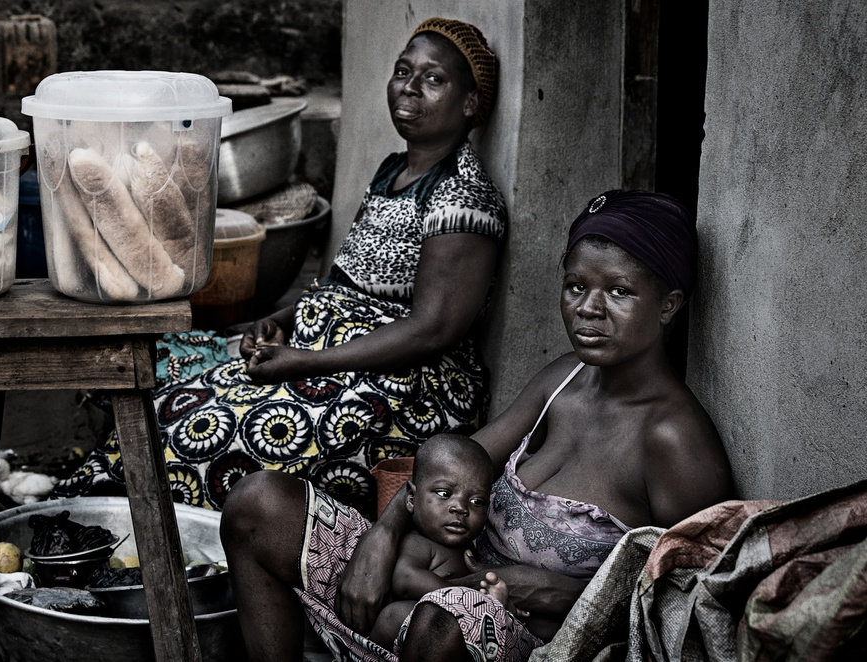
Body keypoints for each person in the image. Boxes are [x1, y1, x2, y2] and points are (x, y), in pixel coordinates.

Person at [219, 188, 735, 662]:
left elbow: (676, 605)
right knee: (258, 505)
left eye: (619, 292)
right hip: (435, 581)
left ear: (669, 305)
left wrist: (544, 589)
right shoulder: (565, 378)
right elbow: (455, 464)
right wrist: (382, 535)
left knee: (445, 622)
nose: (588, 309)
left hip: (526, 636)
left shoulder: (672, 439)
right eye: (576, 286)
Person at [51, 16, 505, 512]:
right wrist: (280, 322)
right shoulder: (392, 170)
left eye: (434, 79)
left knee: (205, 436)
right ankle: (89, 520)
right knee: (159, 396)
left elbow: (431, 330)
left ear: (471, 103)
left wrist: (306, 362)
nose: (410, 87)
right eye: (403, 70)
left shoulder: (463, 196)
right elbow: (340, 282)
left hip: (403, 393)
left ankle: (147, 539)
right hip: (333, 357)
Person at [367, 433, 506, 649]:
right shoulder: (418, 542)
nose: (460, 508)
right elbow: (405, 579)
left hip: (449, 638)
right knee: (396, 614)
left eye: (477, 501)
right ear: (411, 498)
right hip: (403, 639)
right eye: (444, 493)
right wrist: (465, 597)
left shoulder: (466, 547)